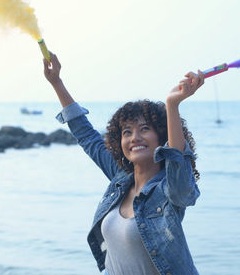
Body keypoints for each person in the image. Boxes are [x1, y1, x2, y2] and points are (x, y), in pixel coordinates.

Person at [43, 52, 203, 275]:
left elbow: (178, 163)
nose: (134, 137)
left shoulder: (169, 191)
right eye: (127, 132)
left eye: (144, 129)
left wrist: (172, 106)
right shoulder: (121, 180)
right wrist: (56, 82)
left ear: (162, 137)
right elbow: (86, 135)